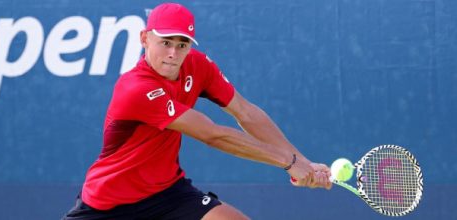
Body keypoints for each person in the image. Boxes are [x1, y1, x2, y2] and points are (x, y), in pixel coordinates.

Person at [63, 3, 332, 220]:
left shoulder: (197, 66)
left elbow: (246, 112)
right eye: (165, 42)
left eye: (182, 44)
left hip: (167, 194)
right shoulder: (135, 88)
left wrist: (303, 162)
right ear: (145, 38)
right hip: (106, 207)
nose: (173, 53)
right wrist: (287, 162)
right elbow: (212, 135)